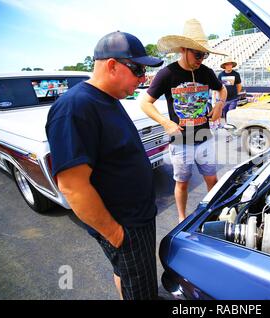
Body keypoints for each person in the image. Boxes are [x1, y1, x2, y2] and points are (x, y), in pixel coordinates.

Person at [45, 31, 163, 300]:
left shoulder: (109, 98)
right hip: (125, 225)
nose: (143, 78)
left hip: (136, 217)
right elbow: (72, 186)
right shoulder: (75, 107)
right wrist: (115, 233)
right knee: (142, 291)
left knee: (127, 276)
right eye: (138, 69)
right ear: (112, 65)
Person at [140, 19, 227, 223]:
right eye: (198, 54)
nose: (201, 59)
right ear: (183, 49)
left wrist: (219, 104)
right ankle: (181, 217)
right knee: (182, 183)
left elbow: (221, 89)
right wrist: (166, 122)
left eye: (204, 54)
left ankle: (212, 213)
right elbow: (145, 103)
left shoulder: (206, 72)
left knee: (212, 179)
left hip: (204, 136)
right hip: (180, 141)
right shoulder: (167, 74)